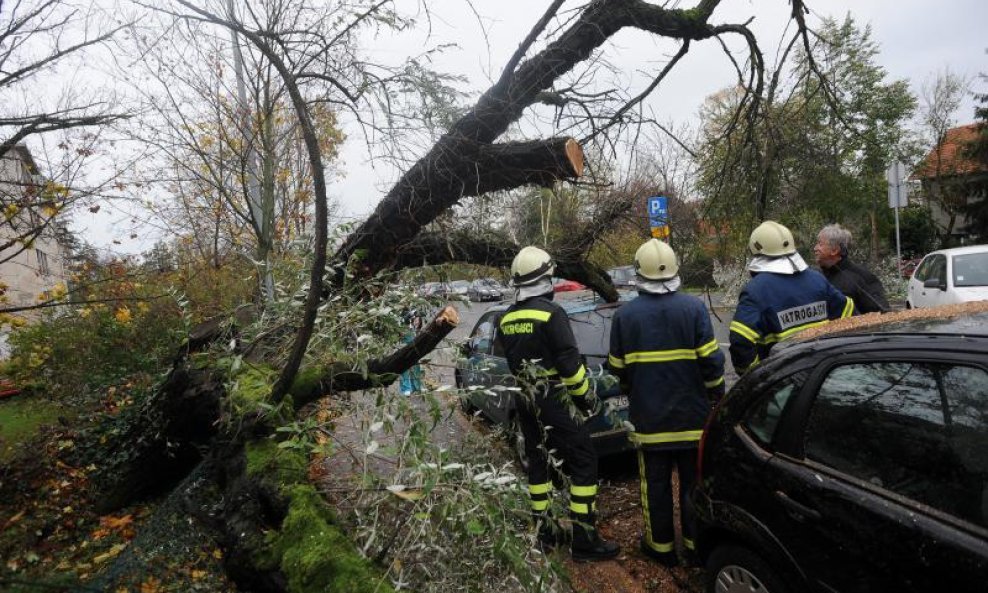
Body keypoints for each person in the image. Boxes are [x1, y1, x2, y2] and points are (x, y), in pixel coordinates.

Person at [495, 245, 620, 562]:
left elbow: (512, 363)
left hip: (524, 397)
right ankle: (585, 541)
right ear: (546, 279)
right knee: (583, 462)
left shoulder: (507, 318)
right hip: (553, 398)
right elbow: (570, 366)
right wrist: (587, 401)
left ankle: (545, 533)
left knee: (538, 463)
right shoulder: (552, 314)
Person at [607, 239, 725, 567]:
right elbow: (712, 365)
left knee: (655, 488)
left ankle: (660, 549)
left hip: (650, 422)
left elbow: (616, 369)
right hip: (692, 420)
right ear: (674, 270)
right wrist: (717, 394)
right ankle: (693, 545)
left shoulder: (625, 316)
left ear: (638, 273)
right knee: (693, 485)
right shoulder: (694, 308)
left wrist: (635, 384)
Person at [730, 221, 855, 374]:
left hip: (783, 382)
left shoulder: (755, 291)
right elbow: (851, 316)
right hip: (822, 376)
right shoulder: (817, 279)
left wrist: (756, 376)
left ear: (756, 249)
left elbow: (740, 342)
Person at [813, 223, 890, 314]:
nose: (815, 248)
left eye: (820, 244)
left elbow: (882, 314)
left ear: (835, 250)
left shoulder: (863, 277)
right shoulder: (815, 277)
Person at [398, 311, 424, 395]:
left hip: (415, 350)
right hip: (404, 349)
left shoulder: (417, 329)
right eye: (415, 320)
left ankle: (417, 386)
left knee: (416, 368)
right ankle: (405, 389)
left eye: (418, 320)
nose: (417, 322)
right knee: (404, 369)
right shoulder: (405, 327)